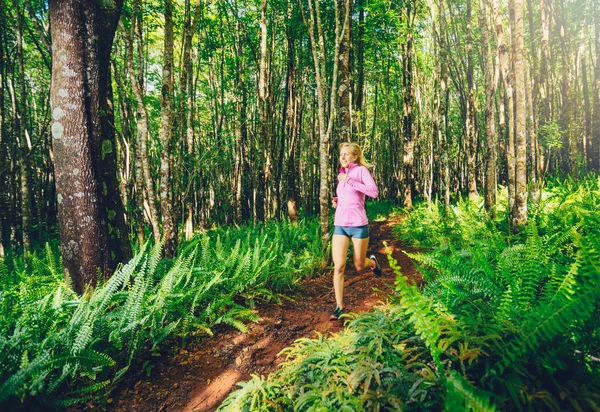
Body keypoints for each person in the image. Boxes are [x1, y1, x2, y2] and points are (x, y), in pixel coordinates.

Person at [330, 142, 381, 321]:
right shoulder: (341, 175)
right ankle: (339, 306)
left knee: (359, 265)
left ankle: (373, 263)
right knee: (339, 266)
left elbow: (373, 192)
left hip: (358, 224)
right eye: (341, 154)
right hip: (340, 225)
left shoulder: (360, 171)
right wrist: (338, 201)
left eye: (346, 154)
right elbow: (348, 195)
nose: (342, 157)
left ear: (354, 157)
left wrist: (350, 180)